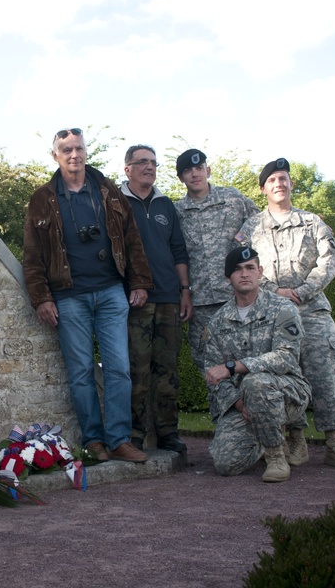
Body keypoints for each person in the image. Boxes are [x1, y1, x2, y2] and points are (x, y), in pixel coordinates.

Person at [23, 127, 153, 464]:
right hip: (68, 296)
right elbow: (33, 255)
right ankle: (94, 441)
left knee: (119, 369)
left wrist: (139, 282)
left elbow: (132, 238)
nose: (74, 155)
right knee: (80, 371)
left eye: (78, 148)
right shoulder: (42, 198)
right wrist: (42, 298)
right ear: (56, 156)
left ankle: (120, 439)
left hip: (111, 292)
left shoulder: (108, 191)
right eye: (66, 150)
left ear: (86, 152)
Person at [236, 158, 335, 469]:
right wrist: (274, 291)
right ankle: (296, 441)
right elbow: (243, 266)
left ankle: (334, 444)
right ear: (263, 188)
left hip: (312, 310)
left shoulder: (312, 223)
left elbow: (328, 262)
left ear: (291, 184)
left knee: (324, 375)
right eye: (272, 180)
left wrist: (301, 292)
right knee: (283, 377)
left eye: (283, 178)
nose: (279, 183)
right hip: (273, 315)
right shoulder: (251, 227)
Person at [202, 247, 311, 482]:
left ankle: (276, 457)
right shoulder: (218, 322)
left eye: (250, 268)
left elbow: (287, 357)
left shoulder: (283, 308)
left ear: (260, 272)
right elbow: (212, 374)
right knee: (225, 463)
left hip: (287, 392)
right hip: (243, 404)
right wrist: (240, 404)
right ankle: (265, 434)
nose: (244, 274)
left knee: (256, 382)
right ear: (228, 277)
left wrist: (235, 366)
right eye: (237, 270)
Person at [120, 145, 192, 454]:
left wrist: (184, 289)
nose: (149, 167)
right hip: (136, 299)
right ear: (128, 169)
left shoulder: (166, 205)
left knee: (167, 369)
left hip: (168, 297)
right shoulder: (116, 203)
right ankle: (135, 433)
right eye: (142, 162)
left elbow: (178, 250)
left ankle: (167, 432)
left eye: (153, 162)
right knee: (136, 368)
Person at [174, 149, 259, 373]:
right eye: (187, 170)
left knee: (247, 355)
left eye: (199, 168)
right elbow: (176, 254)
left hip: (237, 296)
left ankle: (248, 406)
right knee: (206, 361)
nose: (195, 174)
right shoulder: (177, 212)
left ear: (208, 170)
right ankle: (224, 407)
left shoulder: (233, 199)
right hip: (200, 302)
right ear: (181, 178)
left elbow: (263, 226)